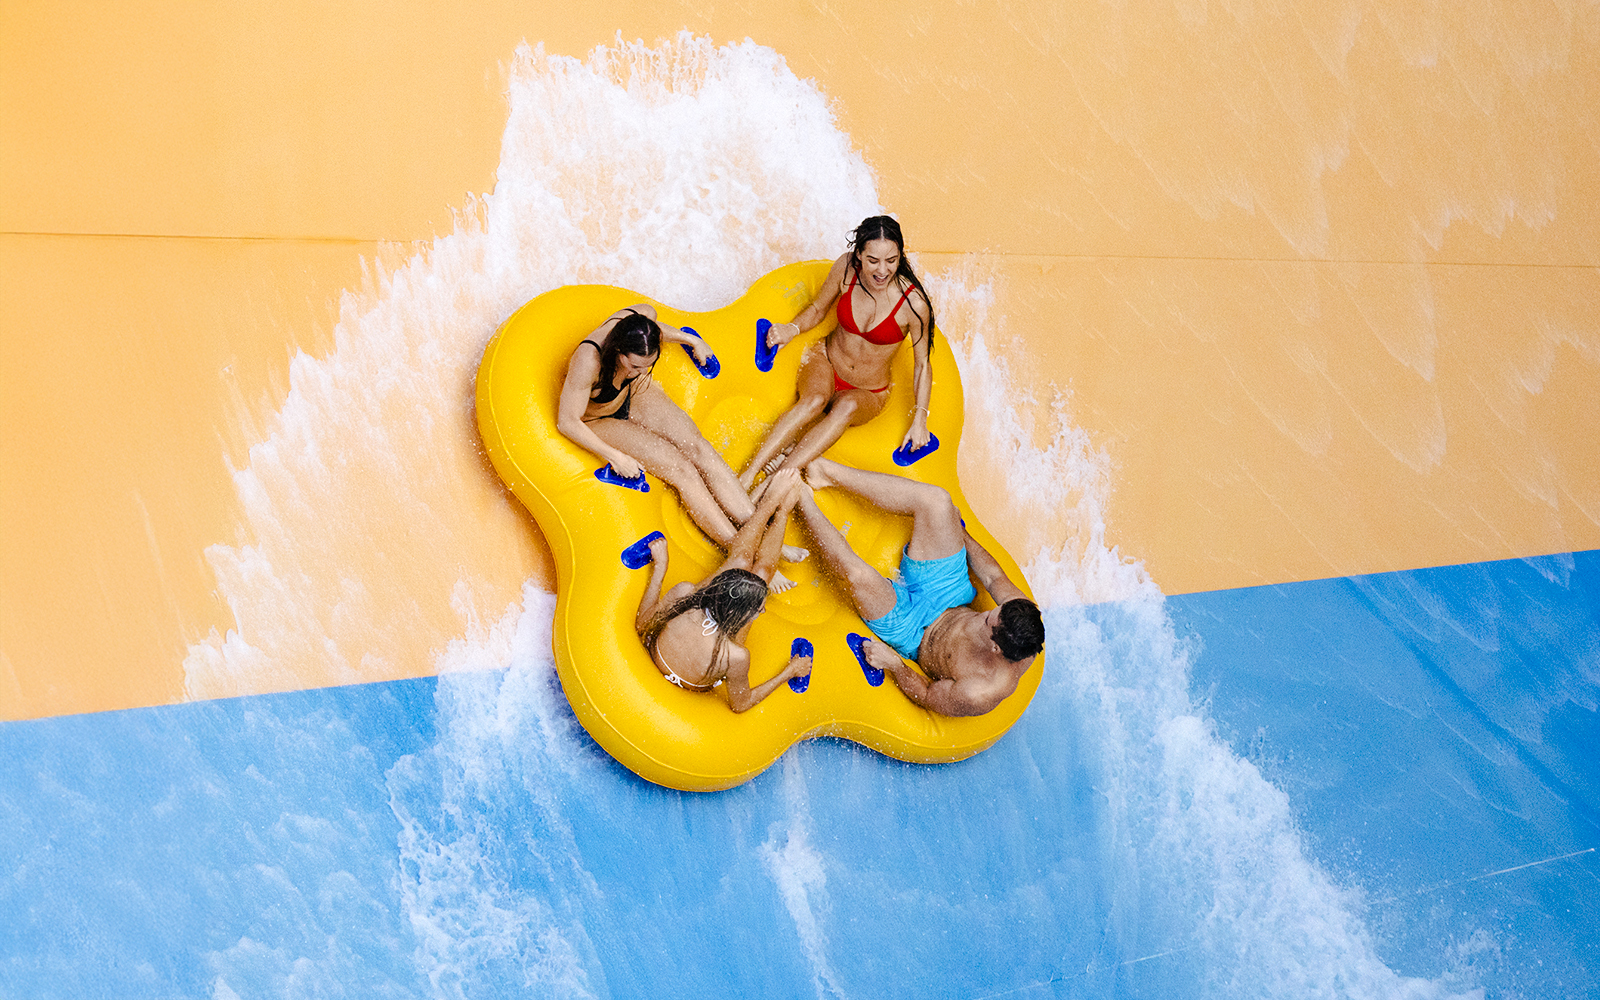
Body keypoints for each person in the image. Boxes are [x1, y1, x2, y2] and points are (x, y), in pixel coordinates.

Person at [556, 304, 805, 578]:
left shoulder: (640, 321)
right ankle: (744, 549)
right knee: (681, 470)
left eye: (648, 365)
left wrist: (691, 340)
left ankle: (761, 533)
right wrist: (616, 457)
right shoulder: (589, 361)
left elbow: (656, 332)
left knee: (699, 447)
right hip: (598, 418)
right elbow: (568, 421)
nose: (640, 370)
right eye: (635, 364)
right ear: (618, 350)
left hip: (633, 394)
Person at [794, 458, 1044, 717]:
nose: (985, 614)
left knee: (859, 577)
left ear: (996, 648)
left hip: (914, 632)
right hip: (950, 594)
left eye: (986, 621)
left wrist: (895, 665)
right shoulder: (1021, 612)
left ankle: (800, 498)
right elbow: (992, 577)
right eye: (994, 610)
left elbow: (927, 694)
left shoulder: (979, 690)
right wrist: (960, 534)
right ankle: (826, 473)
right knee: (938, 501)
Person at [740, 216, 936, 492]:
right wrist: (791, 329)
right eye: (873, 261)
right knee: (814, 401)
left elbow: (922, 365)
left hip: (868, 390)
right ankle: (749, 473)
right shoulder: (846, 269)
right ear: (859, 254)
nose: (882, 270)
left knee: (847, 406)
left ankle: (775, 481)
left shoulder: (914, 304)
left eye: (891, 260)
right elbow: (819, 309)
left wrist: (920, 420)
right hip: (827, 361)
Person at [636, 468, 813, 711]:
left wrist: (660, 569)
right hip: (698, 676)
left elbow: (641, 625)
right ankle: (782, 511)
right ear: (740, 616)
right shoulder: (735, 656)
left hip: (679, 642)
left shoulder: (685, 594)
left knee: (740, 562)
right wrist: (790, 671)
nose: (761, 613)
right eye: (758, 609)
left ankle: (769, 503)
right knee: (762, 573)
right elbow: (740, 704)